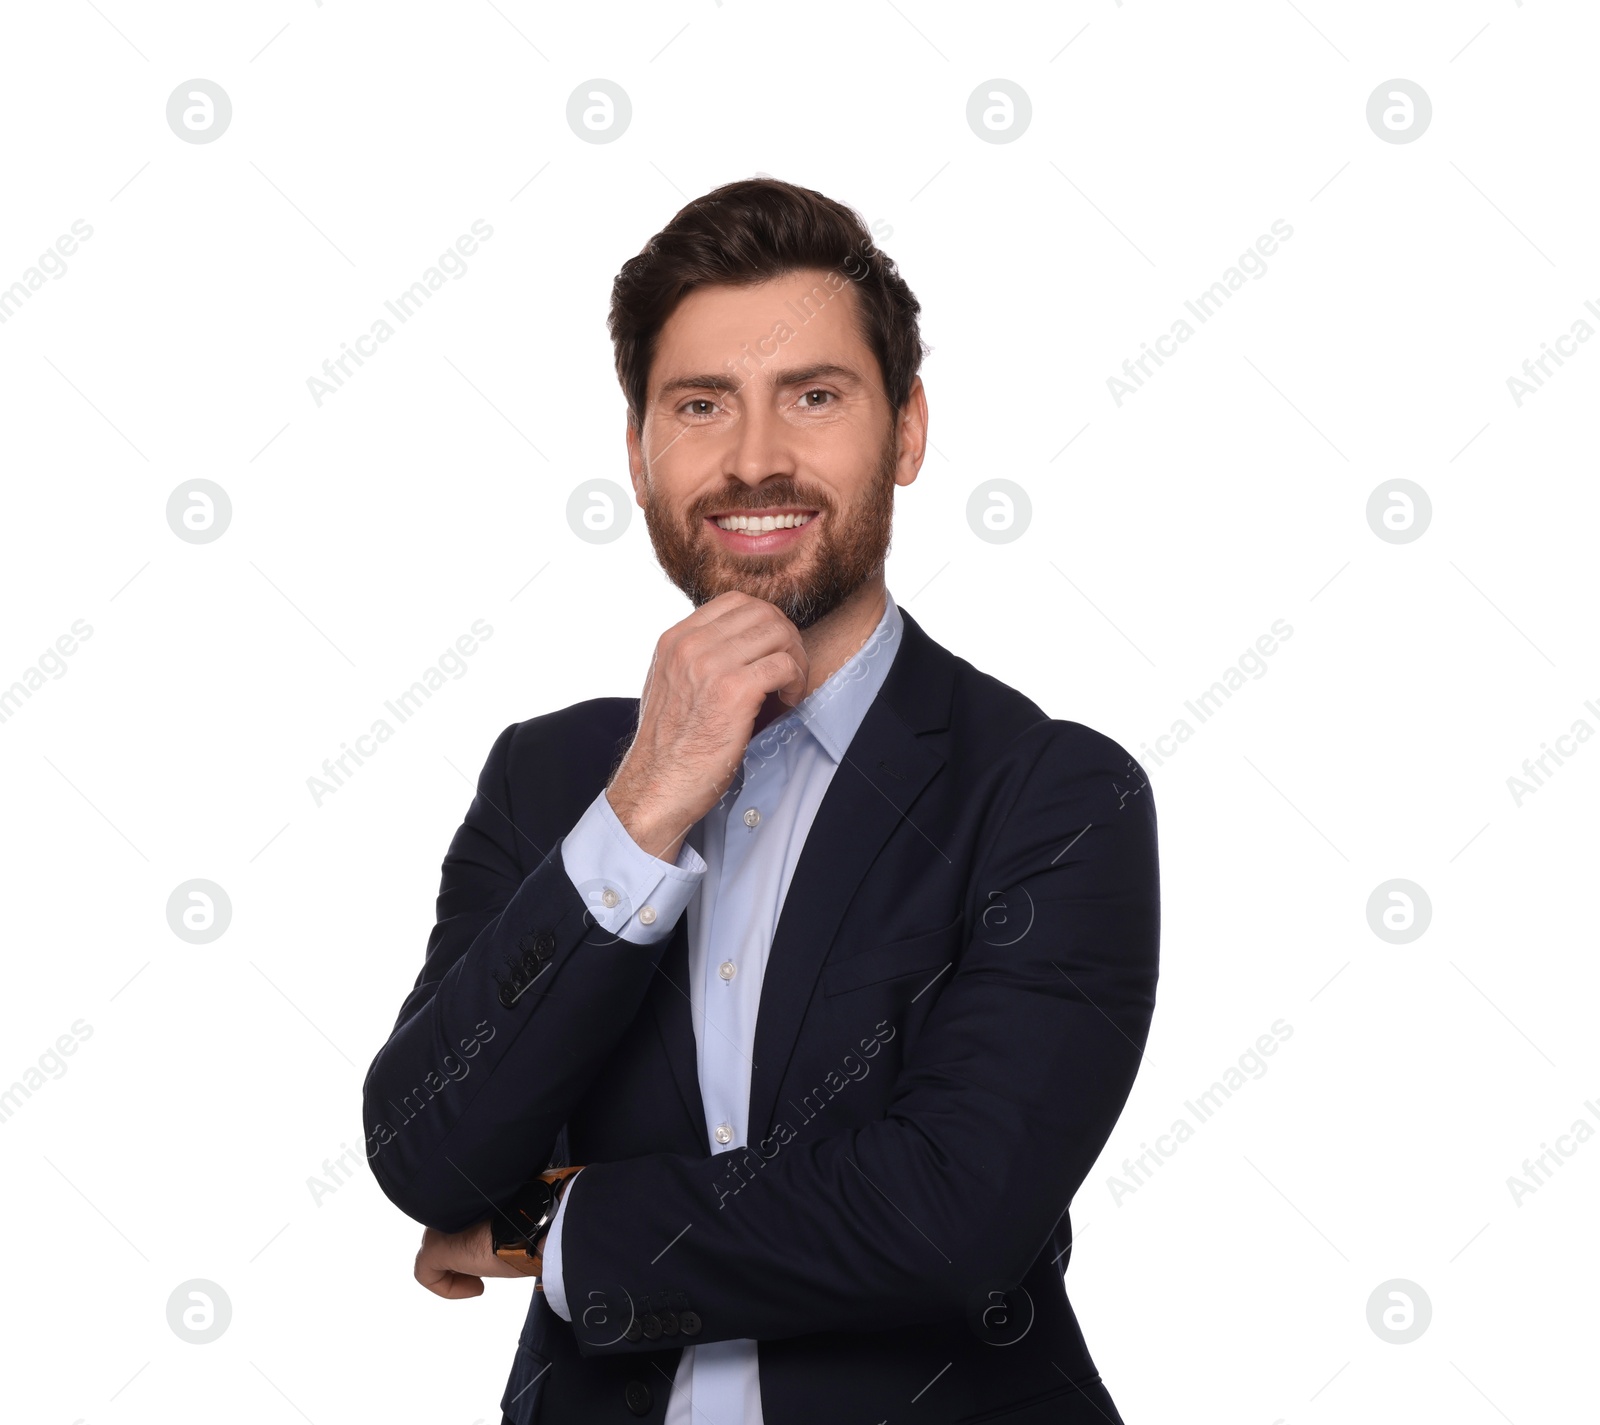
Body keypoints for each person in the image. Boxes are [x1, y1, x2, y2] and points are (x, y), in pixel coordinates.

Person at [361, 176, 1160, 1425]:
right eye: (699, 405)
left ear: (905, 431)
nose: (753, 461)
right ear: (638, 455)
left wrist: (551, 1223)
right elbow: (426, 1147)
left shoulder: (1054, 796)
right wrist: (645, 806)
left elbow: (947, 1217)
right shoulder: (552, 781)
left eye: (815, 397)